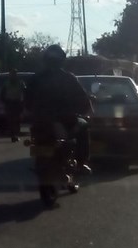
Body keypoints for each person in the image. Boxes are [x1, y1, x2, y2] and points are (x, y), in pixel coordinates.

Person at [25, 44, 93, 174]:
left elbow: (27, 102)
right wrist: (86, 110)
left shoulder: (35, 79)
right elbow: (82, 100)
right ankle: (81, 162)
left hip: (40, 121)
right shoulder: (68, 78)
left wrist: (31, 113)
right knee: (84, 126)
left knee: (37, 138)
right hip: (65, 120)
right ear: (62, 60)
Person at [0, 68, 26, 142]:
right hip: (9, 103)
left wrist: (24, 101)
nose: (13, 76)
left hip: (17, 103)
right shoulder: (6, 83)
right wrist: (4, 101)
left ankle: (15, 134)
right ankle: (13, 134)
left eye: (14, 74)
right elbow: (2, 93)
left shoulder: (21, 82)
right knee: (10, 120)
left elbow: (25, 91)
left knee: (17, 120)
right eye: (11, 74)